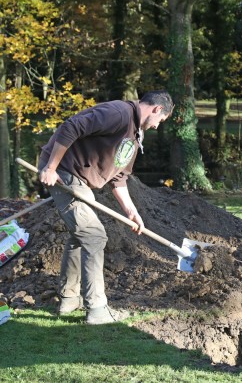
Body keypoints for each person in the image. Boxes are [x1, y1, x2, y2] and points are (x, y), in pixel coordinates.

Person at [38, 90, 173, 325]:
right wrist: (51, 167)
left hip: (78, 178)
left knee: (81, 236)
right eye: (161, 121)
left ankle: (69, 299)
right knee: (94, 235)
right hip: (64, 173)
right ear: (157, 109)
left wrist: (132, 211)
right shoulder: (119, 114)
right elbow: (71, 126)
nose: (158, 127)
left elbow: (118, 177)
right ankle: (98, 310)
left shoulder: (135, 134)